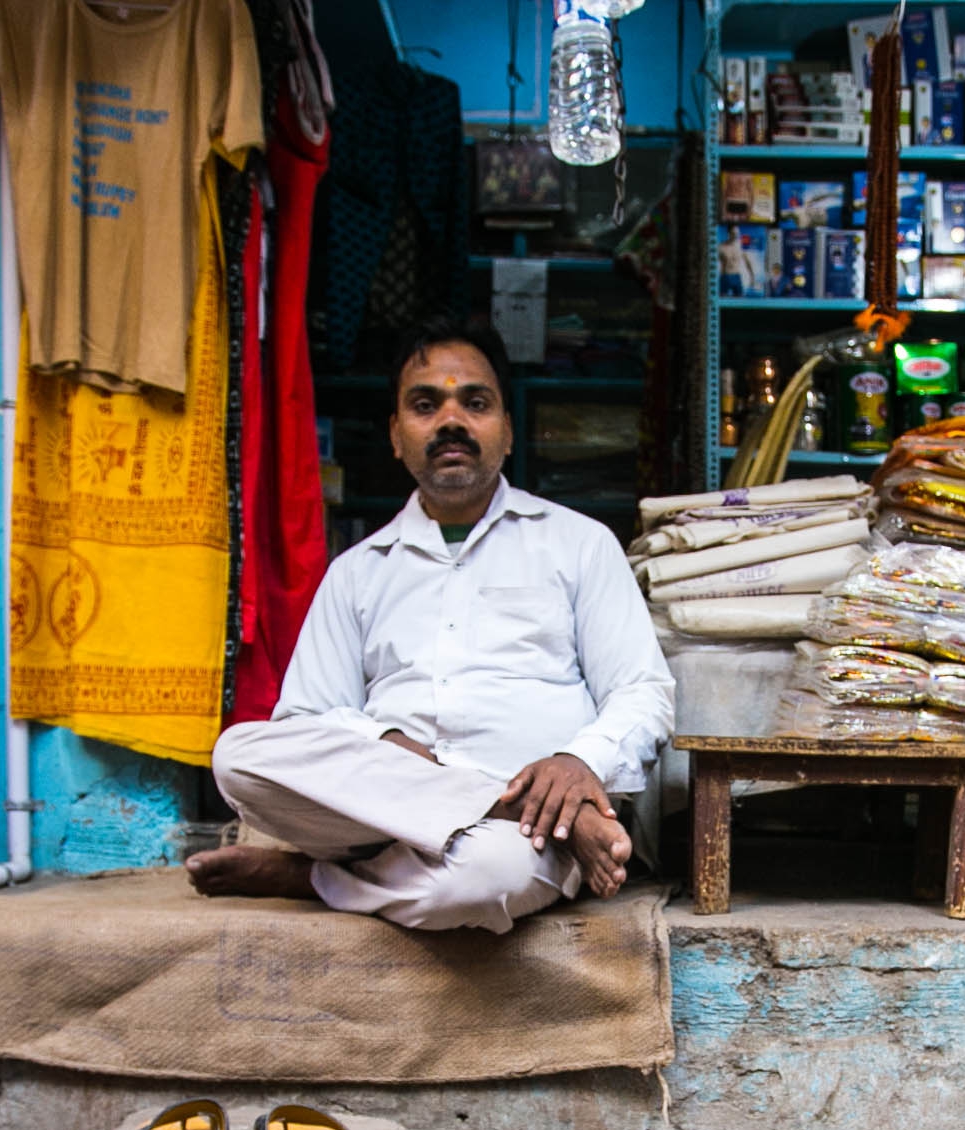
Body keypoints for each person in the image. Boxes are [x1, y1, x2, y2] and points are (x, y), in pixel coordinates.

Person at [188, 320, 673, 933]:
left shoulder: (579, 544)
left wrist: (579, 762)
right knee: (239, 755)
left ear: (507, 431)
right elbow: (306, 721)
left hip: (523, 838)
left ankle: (309, 879)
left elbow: (643, 692)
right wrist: (390, 744)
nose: (451, 421)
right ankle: (505, 801)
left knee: (482, 880)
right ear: (396, 435)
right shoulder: (357, 572)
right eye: (425, 405)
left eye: (475, 403)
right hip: (389, 815)